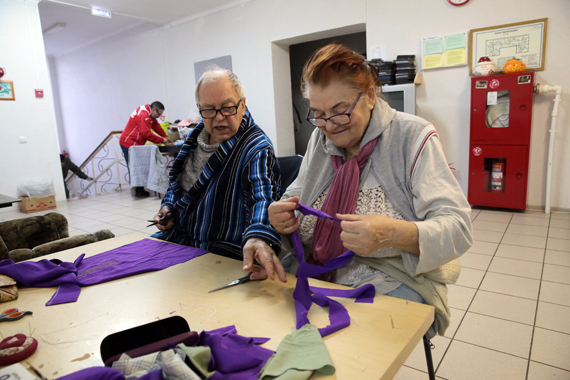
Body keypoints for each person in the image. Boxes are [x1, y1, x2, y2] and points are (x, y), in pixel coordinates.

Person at [267, 44, 473, 338]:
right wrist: (282, 216)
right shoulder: (320, 139)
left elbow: (458, 229)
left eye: (340, 111)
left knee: (353, 347)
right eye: (319, 114)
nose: (329, 125)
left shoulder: (413, 136)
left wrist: (391, 233)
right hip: (315, 268)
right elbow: (297, 194)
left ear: (371, 96)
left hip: (392, 275)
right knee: (270, 325)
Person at [152, 68, 286, 283]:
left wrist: (259, 236)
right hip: (179, 242)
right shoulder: (195, 138)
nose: (219, 118)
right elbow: (178, 186)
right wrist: (167, 208)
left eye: (227, 107)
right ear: (199, 109)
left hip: (221, 253)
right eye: (209, 110)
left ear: (242, 104)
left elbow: (263, 199)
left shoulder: (256, 148)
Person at [119, 101, 171, 198]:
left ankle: (140, 190)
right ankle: (137, 192)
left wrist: (166, 136)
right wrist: (161, 140)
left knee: (139, 166)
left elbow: (156, 126)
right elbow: (146, 133)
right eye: (159, 114)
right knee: (134, 167)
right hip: (129, 143)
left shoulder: (149, 112)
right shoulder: (144, 115)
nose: (159, 116)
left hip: (136, 143)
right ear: (154, 109)